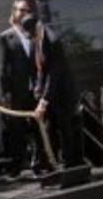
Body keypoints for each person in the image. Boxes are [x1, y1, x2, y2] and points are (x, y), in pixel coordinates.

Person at [27, 15, 83, 169]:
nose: (33, 38)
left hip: (62, 92)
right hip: (49, 92)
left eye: (33, 33)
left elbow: (54, 75)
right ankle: (52, 161)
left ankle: (72, 163)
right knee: (51, 128)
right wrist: (38, 86)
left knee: (66, 127)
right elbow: (39, 70)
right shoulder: (35, 42)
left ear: (39, 26)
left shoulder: (53, 41)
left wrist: (44, 101)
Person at [0, 0, 42, 176]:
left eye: (27, 10)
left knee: (38, 127)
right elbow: (4, 67)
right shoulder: (6, 36)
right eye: (21, 10)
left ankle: (40, 162)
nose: (25, 13)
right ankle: (18, 163)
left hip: (35, 89)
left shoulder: (34, 34)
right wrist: (6, 92)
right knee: (17, 128)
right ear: (14, 12)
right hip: (17, 90)